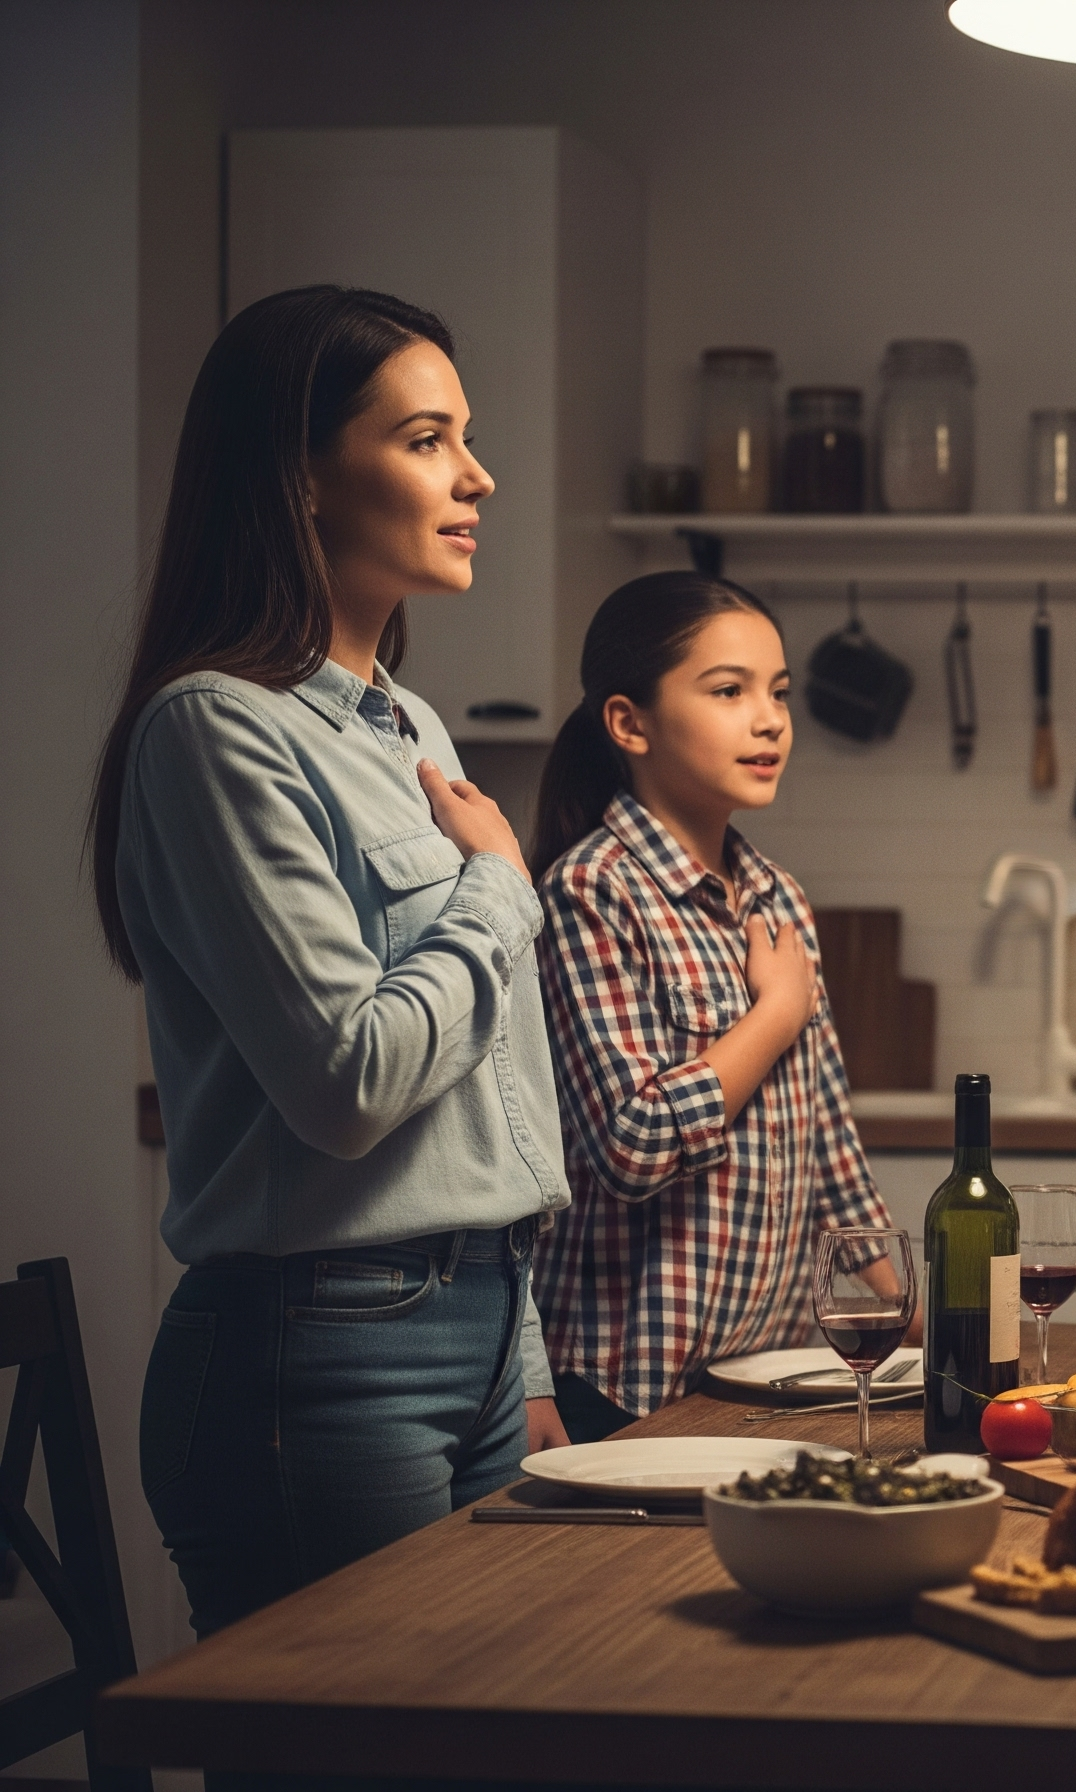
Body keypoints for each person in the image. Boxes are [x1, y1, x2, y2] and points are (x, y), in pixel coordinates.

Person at [100, 286, 570, 1641]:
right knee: (370, 1735)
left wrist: (522, 1351)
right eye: (427, 439)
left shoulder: (409, 723)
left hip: (477, 1322)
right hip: (322, 1350)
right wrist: (499, 888)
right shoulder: (214, 729)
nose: (477, 476)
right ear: (299, 474)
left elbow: (492, 1088)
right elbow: (348, 1083)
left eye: (465, 437)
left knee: (477, 1724)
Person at [528, 571, 900, 1441]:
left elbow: (828, 1143)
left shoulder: (779, 896)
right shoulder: (590, 892)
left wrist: (910, 1310)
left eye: (779, 692)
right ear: (630, 724)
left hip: (773, 1374)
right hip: (627, 1389)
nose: (770, 721)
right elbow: (633, 1144)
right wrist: (773, 1017)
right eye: (729, 691)